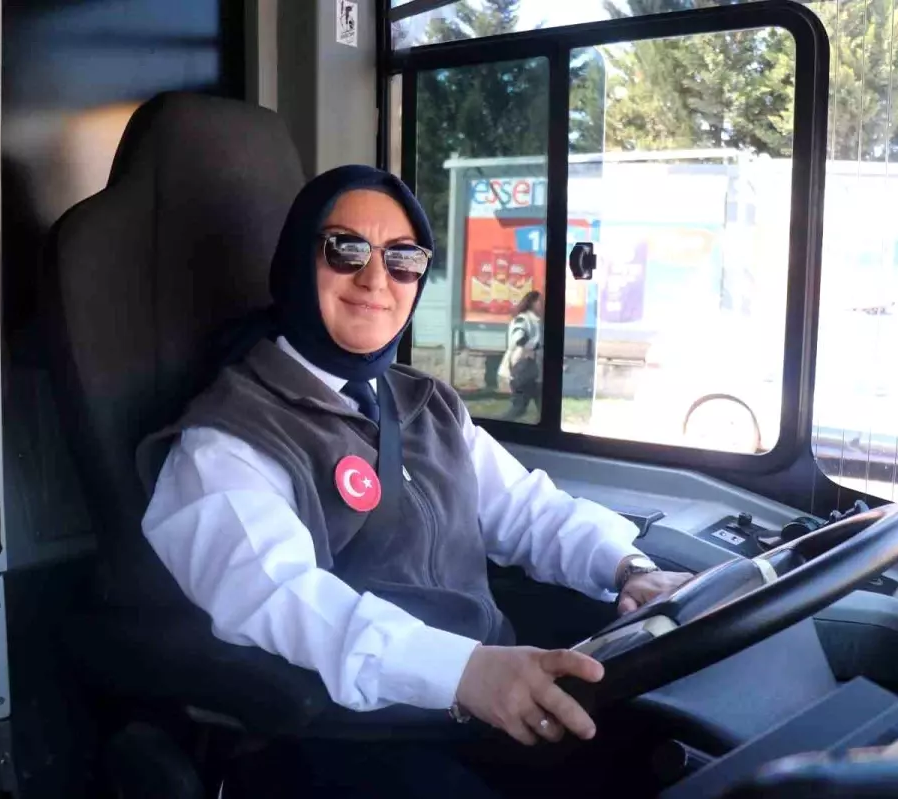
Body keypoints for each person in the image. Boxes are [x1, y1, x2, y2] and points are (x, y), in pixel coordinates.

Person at [140, 165, 693, 795]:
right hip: (356, 736)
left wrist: (629, 568)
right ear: (297, 262)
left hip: (491, 703)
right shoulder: (228, 439)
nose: (376, 279)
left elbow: (526, 510)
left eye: (403, 258)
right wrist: (462, 672)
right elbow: (280, 598)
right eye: (345, 250)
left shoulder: (426, 403)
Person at [499, 290, 544, 421]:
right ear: (532, 303)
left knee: (544, 408)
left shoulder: (536, 321)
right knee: (519, 408)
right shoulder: (522, 319)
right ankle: (497, 426)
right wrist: (535, 346)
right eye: (540, 301)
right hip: (522, 370)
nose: (543, 304)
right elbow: (518, 339)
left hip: (534, 373)